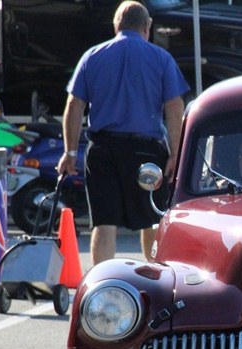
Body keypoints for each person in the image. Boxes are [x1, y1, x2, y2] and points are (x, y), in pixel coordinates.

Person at [56, 1, 189, 265]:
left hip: (102, 150)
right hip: (146, 152)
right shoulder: (161, 58)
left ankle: (100, 285)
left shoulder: (92, 56)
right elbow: (174, 107)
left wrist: (70, 152)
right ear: (147, 26)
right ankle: (155, 279)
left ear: (116, 25)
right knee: (151, 220)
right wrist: (176, 154)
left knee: (104, 222)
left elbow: (74, 105)